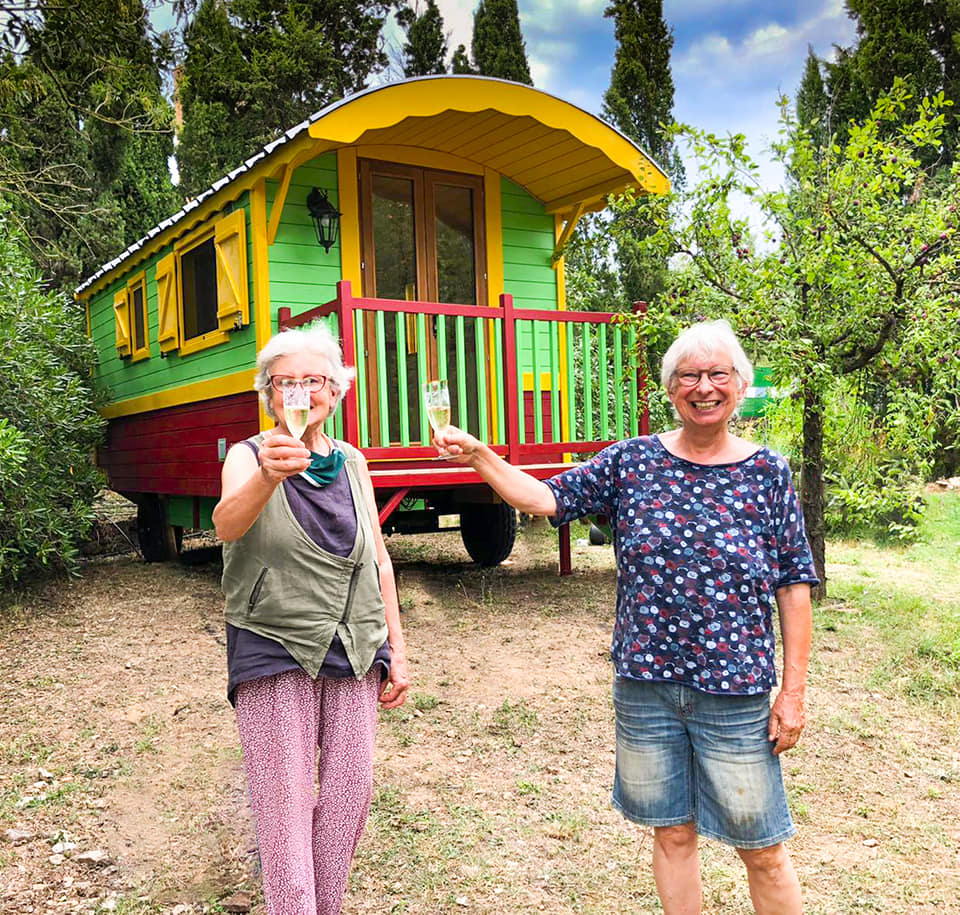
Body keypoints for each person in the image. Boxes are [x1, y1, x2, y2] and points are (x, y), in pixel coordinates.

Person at [435, 319, 817, 915]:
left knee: (762, 845)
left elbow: (794, 586)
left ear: (740, 386)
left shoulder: (767, 473)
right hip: (647, 687)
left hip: (736, 689)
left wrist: (791, 692)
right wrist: (482, 455)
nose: (704, 386)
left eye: (718, 374)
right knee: (672, 831)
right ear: (671, 389)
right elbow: (544, 498)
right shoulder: (632, 462)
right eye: (688, 375)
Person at [212, 324, 409, 915]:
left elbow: (376, 556)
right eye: (284, 383)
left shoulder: (351, 460)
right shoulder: (251, 456)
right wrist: (270, 476)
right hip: (274, 645)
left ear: (337, 390)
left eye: (313, 381)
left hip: (354, 646)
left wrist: (396, 648)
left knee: (351, 795)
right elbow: (225, 525)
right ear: (269, 396)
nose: (300, 393)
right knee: (285, 800)